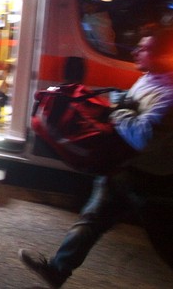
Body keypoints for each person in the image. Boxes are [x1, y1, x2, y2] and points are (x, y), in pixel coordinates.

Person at [19, 25, 173, 288]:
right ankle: (57, 271)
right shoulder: (150, 77)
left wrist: (118, 111)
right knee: (91, 220)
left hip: (150, 180)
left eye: (144, 49)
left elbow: (143, 136)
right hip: (124, 169)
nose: (136, 51)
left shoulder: (168, 94)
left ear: (160, 56)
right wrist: (122, 100)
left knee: (164, 239)